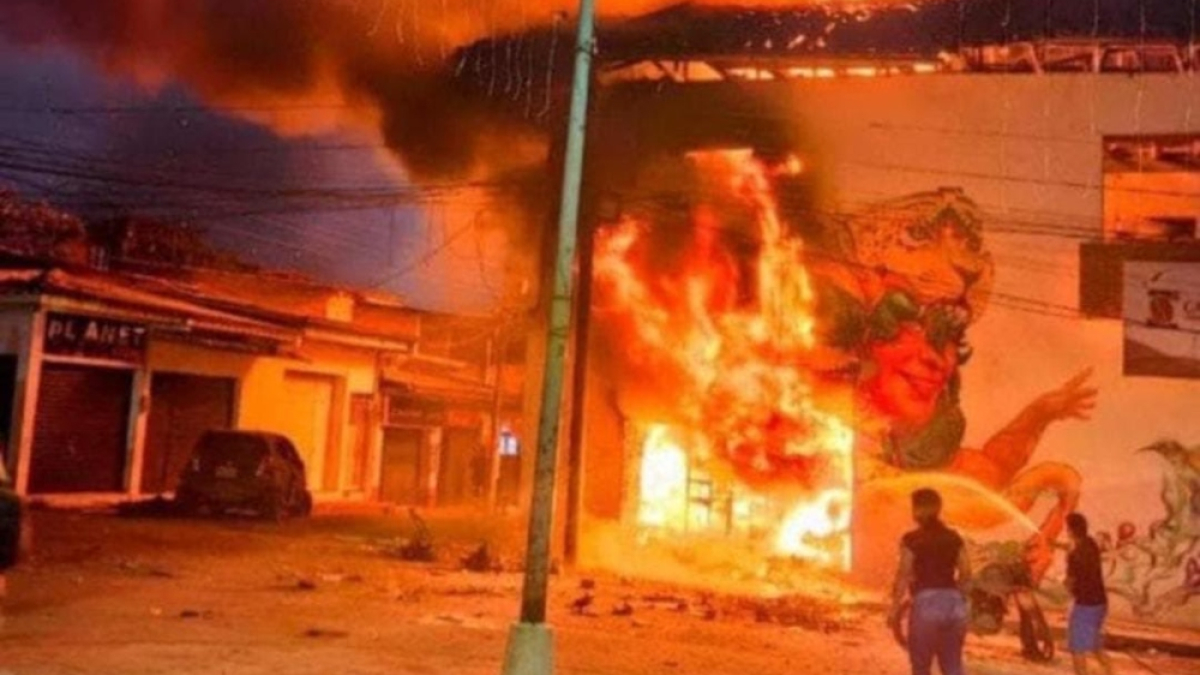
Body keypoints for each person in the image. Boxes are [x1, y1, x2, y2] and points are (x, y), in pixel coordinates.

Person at [889, 488, 973, 675]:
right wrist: (960, 599)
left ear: (918, 510)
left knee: (921, 668)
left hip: (926, 605)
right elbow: (966, 573)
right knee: (953, 667)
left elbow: (903, 575)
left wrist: (894, 609)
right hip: (954, 605)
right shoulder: (954, 538)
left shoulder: (911, 540)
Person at [1065, 512, 1114, 675]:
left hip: (1085, 606)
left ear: (1070, 530)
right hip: (1100, 603)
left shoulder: (1074, 555)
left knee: (1077, 649)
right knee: (1094, 645)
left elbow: (1070, 585)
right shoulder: (1091, 543)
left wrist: (1065, 581)